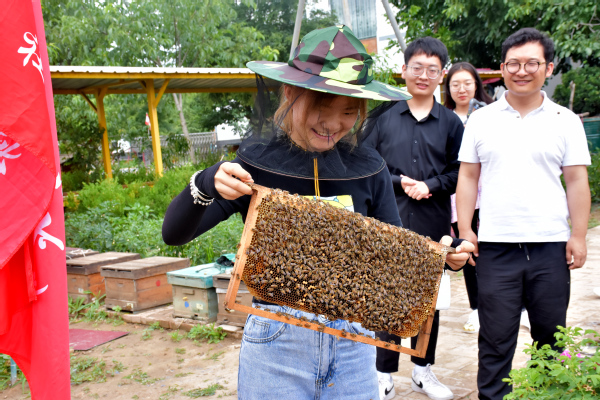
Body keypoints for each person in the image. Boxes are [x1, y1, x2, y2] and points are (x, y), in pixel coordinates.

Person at [161, 26, 474, 400]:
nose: (333, 123)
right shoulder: (256, 165)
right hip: (277, 343)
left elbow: (393, 253)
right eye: (321, 106)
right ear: (291, 95)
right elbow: (174, 233)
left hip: (353, 344)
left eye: (347, 111)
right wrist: (205, 183)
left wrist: (442, 256)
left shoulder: (368, 167)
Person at [455, 28, 591, 400]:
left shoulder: (566, 120)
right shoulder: (481, 120)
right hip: (496, 249)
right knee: (495, 340)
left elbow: (577, 182)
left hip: (550, 247)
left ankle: (547, 395)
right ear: (502, 68)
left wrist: (578, 235)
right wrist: (466, 229)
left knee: (550, 339)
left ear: (548, 67)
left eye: (532, 63)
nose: (522, 70)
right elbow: (468, 176)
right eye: (513, 63)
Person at [363, 37, 465, 400]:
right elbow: (364, 162)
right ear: (404, 70)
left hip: (431, 223)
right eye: (417, 68)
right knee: (387, 300)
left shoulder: (451, 123)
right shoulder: (381, 116)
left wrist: (432, 185)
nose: (424, 75)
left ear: (442, 74)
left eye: (432, 70)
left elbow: (461, 173)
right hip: (388, 221)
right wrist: (397, 181)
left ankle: (423, 372)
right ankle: (383, 375)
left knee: (428, 303)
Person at [444, 62, 493, 334]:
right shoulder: (445, 120)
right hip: (460, 200)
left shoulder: (490, 114)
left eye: (467, 83)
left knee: (498, 252)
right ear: (448, 88)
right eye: (455, 84)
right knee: (469, 255)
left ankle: (514, 307)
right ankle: (476, 310)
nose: (462, 89)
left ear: (476, 84)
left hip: (491, 197)